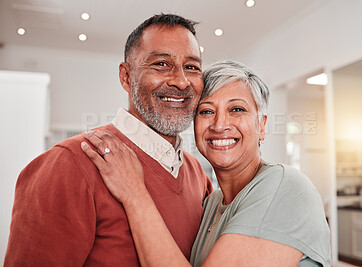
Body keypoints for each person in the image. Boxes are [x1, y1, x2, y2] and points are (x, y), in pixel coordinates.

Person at [4, 14, 212, 266]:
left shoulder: (197, 176)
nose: (181, 81)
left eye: (192, 67)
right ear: (126, 77)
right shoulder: (68, 163)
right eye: (161, 64)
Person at [82, 60, 332, 266]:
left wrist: (134, 194)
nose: (219, 125)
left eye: (237, 110)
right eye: (206, 111)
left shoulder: (286, 187)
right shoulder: (212, 202)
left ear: (262, 125)